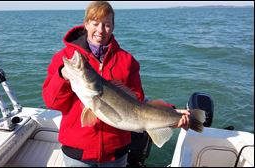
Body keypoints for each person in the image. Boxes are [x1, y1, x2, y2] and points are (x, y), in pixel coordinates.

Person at [42, 1, 190, 167]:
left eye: (106, 25)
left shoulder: (127, 61)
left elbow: (138, 100)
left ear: (112, 27)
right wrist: (62, 76)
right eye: (95, 23)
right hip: (78, 154)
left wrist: (171, 112)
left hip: (116, 154)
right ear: (86, 25)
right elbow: (52, 102)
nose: (100, 30)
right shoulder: (65, 57)